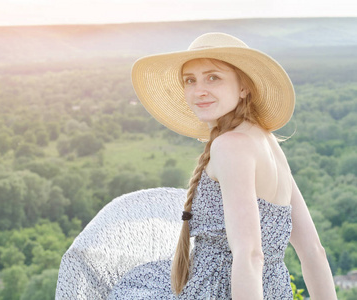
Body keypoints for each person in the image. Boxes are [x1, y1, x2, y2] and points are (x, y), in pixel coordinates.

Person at [107, 33, 337, 299]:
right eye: (190, 80)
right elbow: (312, 250)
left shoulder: (230, 145)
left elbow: (250, 255)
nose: (199, 90)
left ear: (243, 87)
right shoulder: (265, 139)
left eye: (213, 77)